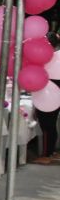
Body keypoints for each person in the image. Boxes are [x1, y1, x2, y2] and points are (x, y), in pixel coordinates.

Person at [34, 31, 60, 165]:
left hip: (49, 89)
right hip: (52, 87)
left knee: (47, 124)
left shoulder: (45, 57)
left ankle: (46, 154)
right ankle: (52, 152)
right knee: (51, 123)